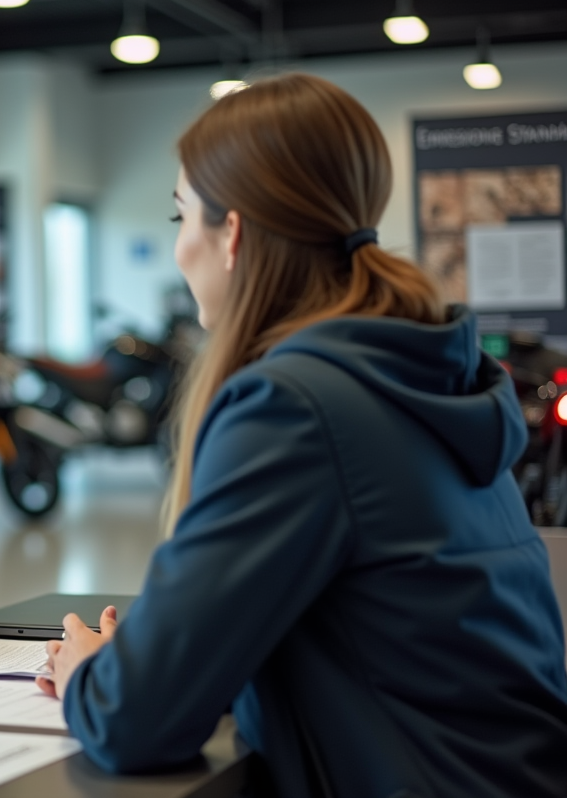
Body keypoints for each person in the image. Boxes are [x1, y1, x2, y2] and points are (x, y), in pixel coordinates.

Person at [37, 74, 567, 797]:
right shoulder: (430, 370)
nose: (179, 249)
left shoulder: (292, 408)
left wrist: (87, 675)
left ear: (234, 235)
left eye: (180, 218)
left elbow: (134, 721)